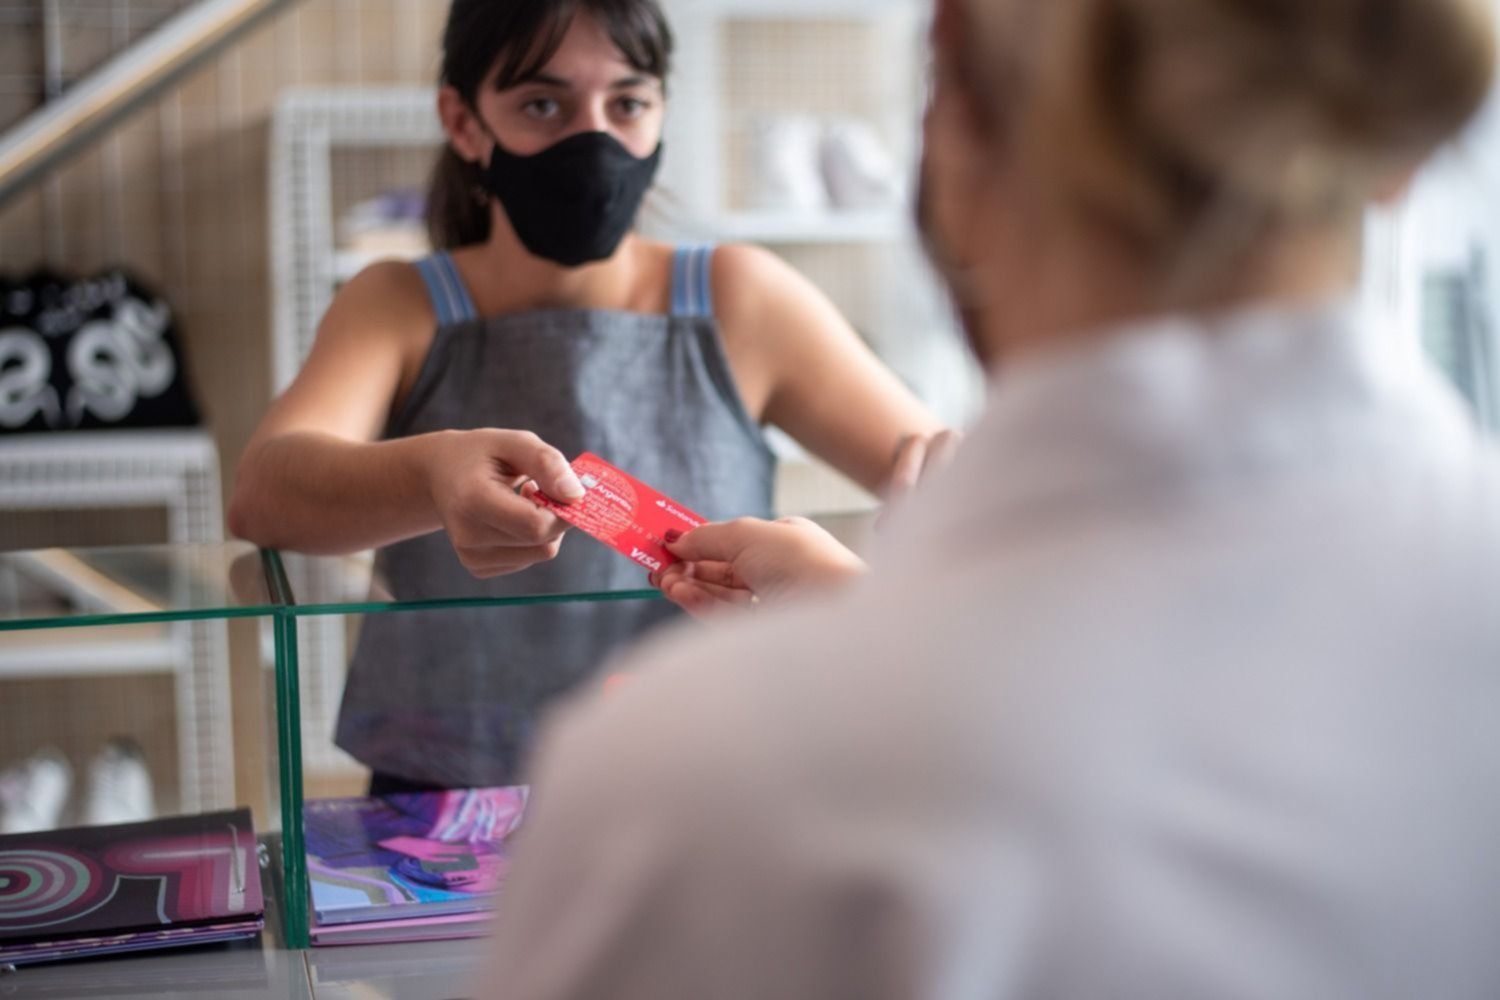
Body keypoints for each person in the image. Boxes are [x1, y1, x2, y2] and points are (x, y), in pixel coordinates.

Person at [482, 0, 1500, 996]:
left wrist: (869, 634)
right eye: (544, 102)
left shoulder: (685, 781)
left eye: (627, 100)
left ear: (953, 103)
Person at [228, 0, 945, 790]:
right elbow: (263, 492)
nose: (594, 139)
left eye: (628, 103)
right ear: (463, 123)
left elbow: (942, 477)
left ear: (663, 111)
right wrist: (430, 474)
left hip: (703, 782)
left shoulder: (741, 299)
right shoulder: (399, 304)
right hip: (448, 798)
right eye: (543, 104)